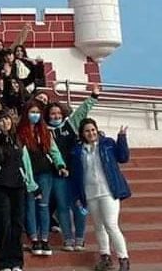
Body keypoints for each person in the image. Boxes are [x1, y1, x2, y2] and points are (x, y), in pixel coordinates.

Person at [70, 120, 131, 271]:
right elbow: (76, 175)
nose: (91, 133)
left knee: (111, 225)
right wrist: (78, 196)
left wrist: (122, 138)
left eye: (93, 130)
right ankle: (105, 257)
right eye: (87, 131)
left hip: (108, 191)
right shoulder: (78, 150)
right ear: (82, 133)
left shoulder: (107, 144)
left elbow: (123, 157)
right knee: (98, 226)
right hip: (90, 193)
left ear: (97, 130)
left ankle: (123, 259)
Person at [45, 86, 100, 251]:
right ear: (48, 115)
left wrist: (93, 96)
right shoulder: (44, 131)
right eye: (52, 114)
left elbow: (82, 111)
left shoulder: (71, 125)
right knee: (62, 207)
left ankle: (79, 238)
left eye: (58, 113)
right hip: (57, 174)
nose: (56, 116)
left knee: (80, 206)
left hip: (76, 173)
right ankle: (68, 238)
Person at [0, 109, 39, 271]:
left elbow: (26, 164)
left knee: (17, 223)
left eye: (7, 120)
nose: (5, 123)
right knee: (4, 224)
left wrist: (31, 184)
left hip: (18, 186)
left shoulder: (18, 139)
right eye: (1, 121)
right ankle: (4, 262)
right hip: (0, 186)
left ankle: (17, 262)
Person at [17, 101, 67, 256]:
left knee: (43, 206)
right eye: (32, 112)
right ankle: (34, 239)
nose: (35, 115)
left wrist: (60, 165)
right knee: (30, 206)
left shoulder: (45, 131)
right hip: (29, 175)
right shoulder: (20, 132)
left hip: (45, 173)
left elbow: (54, 151)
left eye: (37, 112)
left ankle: (44, 239)